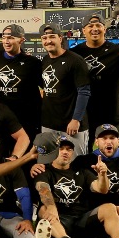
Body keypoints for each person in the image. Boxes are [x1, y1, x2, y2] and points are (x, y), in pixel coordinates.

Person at [69, 14, 119, 135]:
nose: (95, 29)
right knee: (84, 154)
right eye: (90, 26)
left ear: (105, 29)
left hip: (111, 115)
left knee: (111, 153)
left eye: (98, 25)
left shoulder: (117, 50)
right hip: (83, 115)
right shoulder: (75, 53)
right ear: (83, 30)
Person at [38, 23, 92, 156]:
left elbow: (84, 91)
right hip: (49, 123)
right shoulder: (45, 60)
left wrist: (76, 119)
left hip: (71, 125)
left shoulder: (75, 60)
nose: (48, 41)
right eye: (44, 38)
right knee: (49, 164)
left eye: (52, 37)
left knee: (76, 164)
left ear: (60, 38)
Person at [0, 24, 43, 141]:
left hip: (26, 119)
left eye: (11, 37)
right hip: (1, 118)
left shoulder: (33, 62)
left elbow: (46, 88)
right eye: (4, 37)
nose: (6, 41)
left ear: (21, 40)